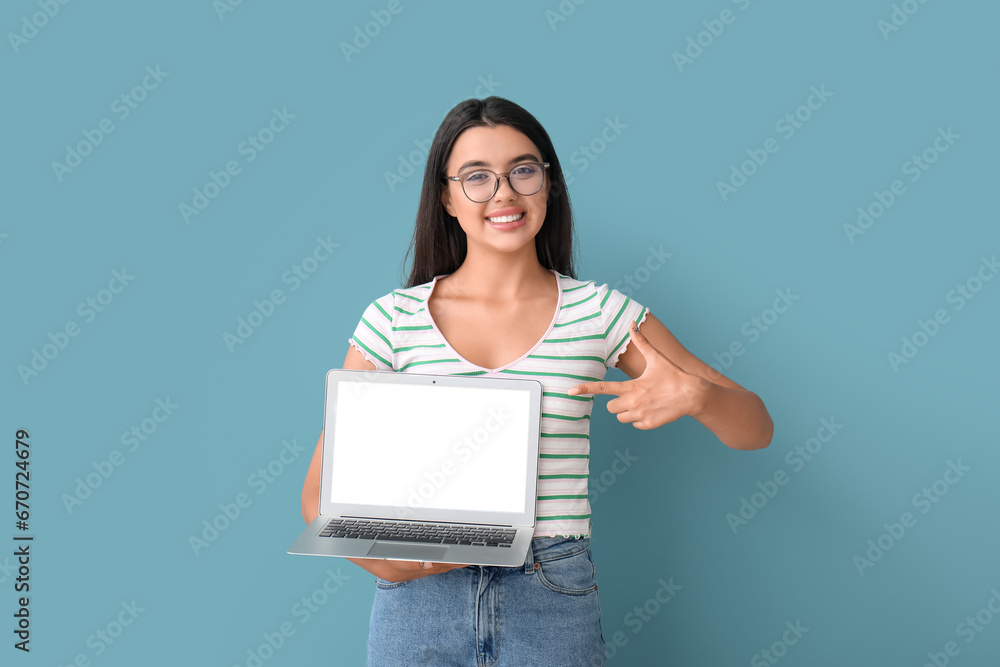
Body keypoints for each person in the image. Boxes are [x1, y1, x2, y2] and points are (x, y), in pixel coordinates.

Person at [300, 96, 773, 666]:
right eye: (477, 177)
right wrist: (386, 561)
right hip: (418, 599)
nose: (504, 193)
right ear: (447, 197)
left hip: (551, 589)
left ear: (548, 184)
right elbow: (318, 493)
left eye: (523, 170)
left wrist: (698, 396)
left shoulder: (600, 313)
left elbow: (756, 428)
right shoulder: (391, 320)